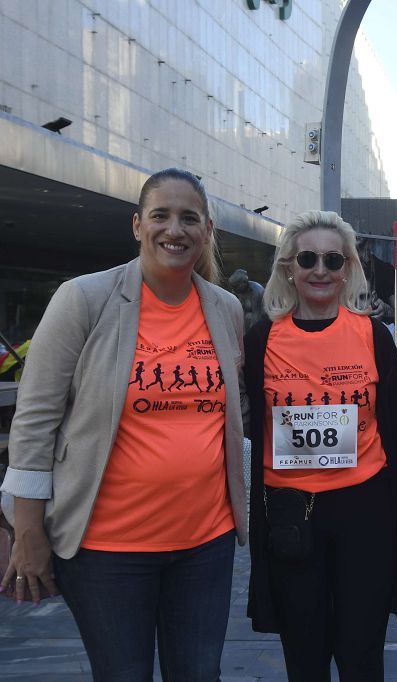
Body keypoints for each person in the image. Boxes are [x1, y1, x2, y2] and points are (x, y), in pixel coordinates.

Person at [0, 168, 248, 679]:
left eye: (189, 218)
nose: (174, 230)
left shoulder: (224, 308)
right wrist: (28, 532)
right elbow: (35, 421)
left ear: (206, 232)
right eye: (160, 215)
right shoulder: (83, 299)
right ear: (138, 225)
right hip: (107, 550)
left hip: (205, 544)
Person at [244, 211, 397, 680]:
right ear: (288, 268)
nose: (320, 270)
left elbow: (395, 433)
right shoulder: (261, 340)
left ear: (347, 269)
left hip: (366, 509)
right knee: (304, 655)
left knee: (361, 653)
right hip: (291, 514)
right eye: (307, 258)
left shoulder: (373, 336)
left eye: (332, 260)